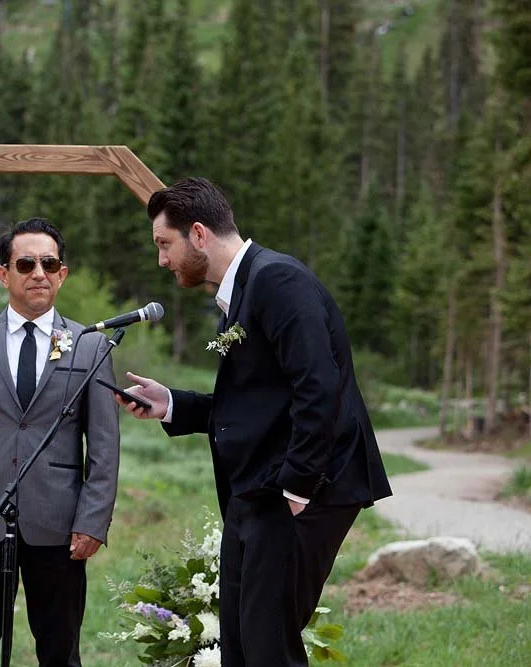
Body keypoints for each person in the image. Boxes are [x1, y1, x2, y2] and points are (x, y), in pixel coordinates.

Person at [117, 178, 392, 667]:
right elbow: (258, 404)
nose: (162, 259)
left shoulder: (277, 280)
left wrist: (297, 487)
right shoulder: (242, 291)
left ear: (198, 234)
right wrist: (173, 404)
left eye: (164, 244)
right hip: (255, 492)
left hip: (297, 490)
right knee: (240, 647)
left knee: (269, 648)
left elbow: (319, 385)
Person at [0, 217, 121, 667]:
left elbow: (105, 447)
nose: (39, 274)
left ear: (62, 274)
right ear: (4, 273)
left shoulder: (90, 346)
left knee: (61, 653)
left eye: (49, 264)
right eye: (26, 264)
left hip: (60, 524)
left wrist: (93, 520)